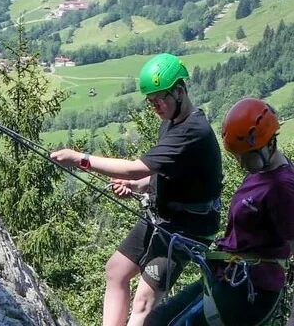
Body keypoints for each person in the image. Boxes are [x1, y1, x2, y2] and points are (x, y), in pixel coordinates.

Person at [49, 53, 225, 326]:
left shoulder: (193, 131)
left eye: (160, 99)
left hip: (189, 226)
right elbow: (160, 174)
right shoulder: (171, 122)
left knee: (143, 300)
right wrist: (138, 187)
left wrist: (81, 159)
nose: (156, 106)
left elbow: (136, 167)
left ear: (180, 91)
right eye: (151, 101)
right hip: (164, 215)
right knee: (116, 270)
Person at [146, 98, 294, 326]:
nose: (242, 163)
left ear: (267, 143)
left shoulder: (282, 187)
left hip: (251, 290)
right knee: (156, 320)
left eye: (246, 156)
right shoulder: (261, 170)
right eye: (237, 156)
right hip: (229, 275)